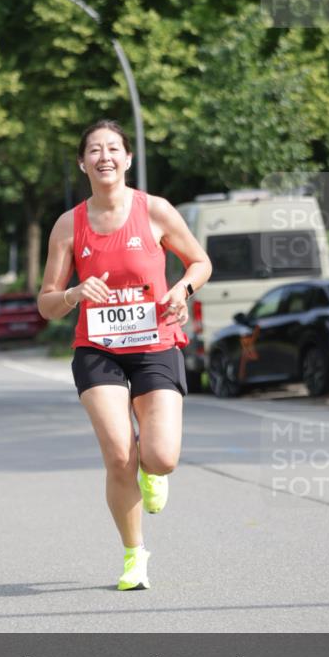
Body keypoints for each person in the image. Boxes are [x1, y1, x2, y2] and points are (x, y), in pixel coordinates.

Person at [38, 119, 212, 590]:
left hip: (155, 342)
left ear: (128, 159)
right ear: (82, 162)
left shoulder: (155, 211)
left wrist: (183, 289)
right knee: (119, 456)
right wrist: (74, 293)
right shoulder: (68, 225)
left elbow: (200, 261)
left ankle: (153, 471)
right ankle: (134, 556)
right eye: (94, 150)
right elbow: (47, 303)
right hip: (97, 349)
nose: (104, 156)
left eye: (113, 148)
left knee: (160, 457)